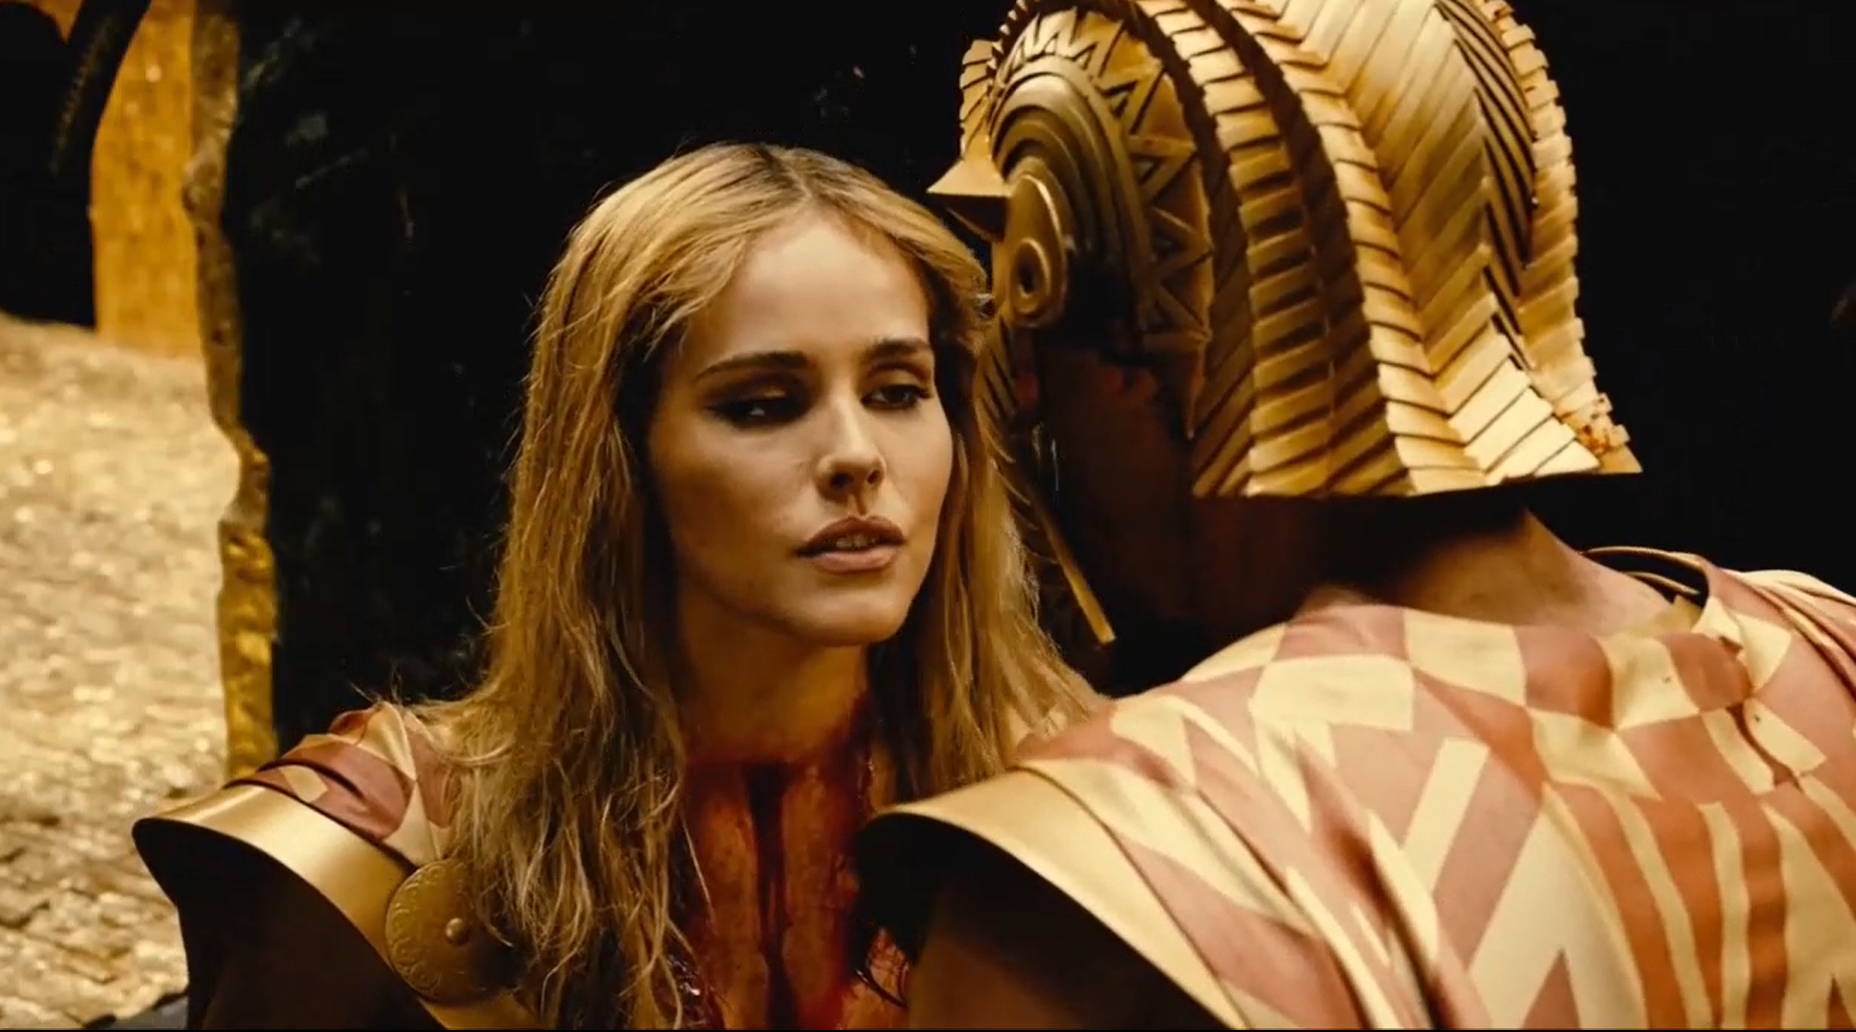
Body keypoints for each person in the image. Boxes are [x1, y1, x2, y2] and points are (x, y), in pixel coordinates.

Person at [854, 0, 1856, 1027]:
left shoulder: (1113, 880)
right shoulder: (1832, 647)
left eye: (1034, 331)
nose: (1026, 396)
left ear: (1132, 348)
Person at [134, 142, 1094, 1030]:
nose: (857, 455)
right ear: (623, 456)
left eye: (897, 392)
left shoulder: (1077, 804)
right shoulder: (386, 845)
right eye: (763, 405)